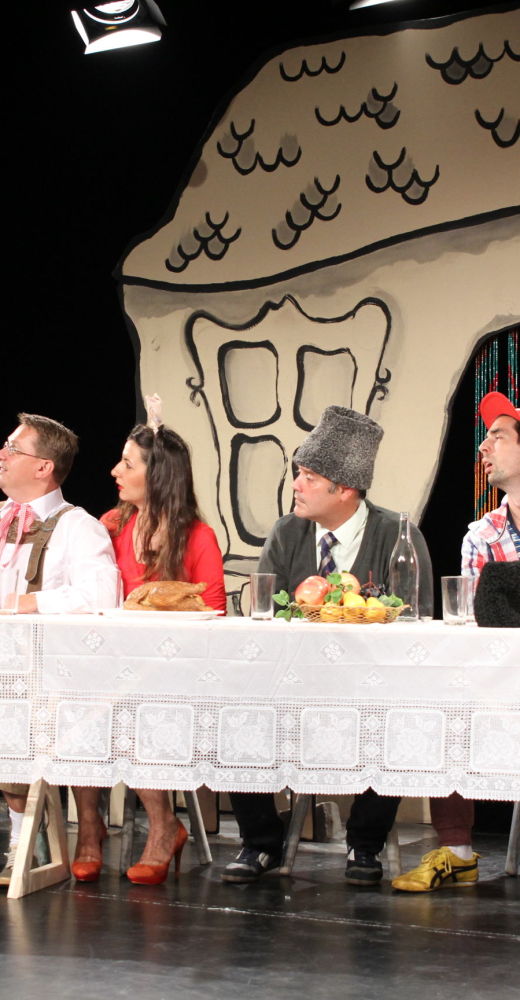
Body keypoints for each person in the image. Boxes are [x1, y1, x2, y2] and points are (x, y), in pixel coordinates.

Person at [222, 405, 434, 885]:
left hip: (372, 688)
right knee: (236, 709)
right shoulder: (287, 532)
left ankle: (364, 843)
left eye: (309, 477)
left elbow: (417, 624)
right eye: (298, 473)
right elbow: (265, 616)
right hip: (294, 684)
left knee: (399, 715)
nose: (296, 485)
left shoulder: (396, 534)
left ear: (345, 490)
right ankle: (260, 841)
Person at [71, 421, 226, 886]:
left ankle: (163, 827)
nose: (114, 471)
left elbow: (213, 614)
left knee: (133, 703)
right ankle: (90, 827)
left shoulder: (197, 537)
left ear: (157, 475)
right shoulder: (111, 526)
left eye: (127, 464)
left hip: (173, 672)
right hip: (112, 665)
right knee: (80, 698)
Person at [392, 389, 520, 891]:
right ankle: (457, 850)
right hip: (501, 681)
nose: (484, 447)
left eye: (498, 436)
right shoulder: (481, 536)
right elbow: (474, 625)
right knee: (444, 701)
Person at [0, 412, 117, 883]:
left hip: (45, 676)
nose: (2, 454)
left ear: (44, 466)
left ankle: (25, 842)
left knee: (16, 720)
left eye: (13, 448)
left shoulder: (77, 527)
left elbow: (101, 596)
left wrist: (23, 603)